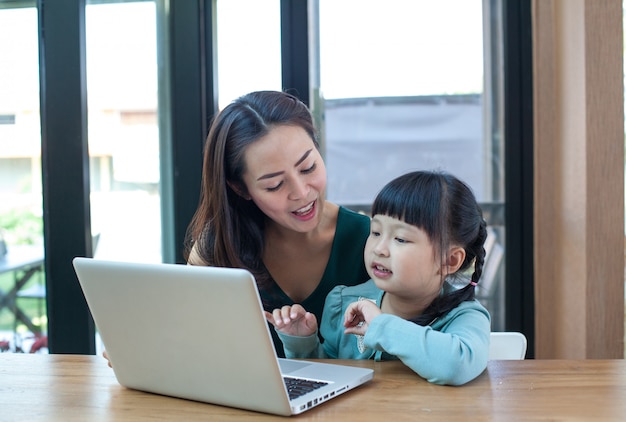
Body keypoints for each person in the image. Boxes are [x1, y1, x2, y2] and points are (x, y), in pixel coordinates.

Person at [183, 90, 371, 357]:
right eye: (274, 185)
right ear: (240, 188)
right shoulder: (218, 247)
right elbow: (190, 337)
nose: (301, 192)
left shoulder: (369, 240)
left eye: (308, 168)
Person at [265, 170, 491, 386]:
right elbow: (327, 375)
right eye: (375, 232)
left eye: (401, 239)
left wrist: (380, 326)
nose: (380, 249)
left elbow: (456, 366)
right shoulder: (343, 302)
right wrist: (303, 342)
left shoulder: (464, 316)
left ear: (449, 261)